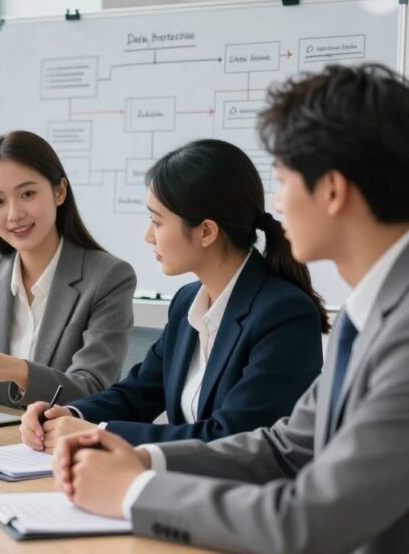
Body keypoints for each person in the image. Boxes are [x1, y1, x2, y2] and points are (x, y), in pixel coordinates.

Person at [53, 64, 409, 554]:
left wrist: (133, 493)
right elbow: (284, 448)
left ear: (332, 190)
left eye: (283, 180)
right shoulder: (365, 314)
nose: (277, 204)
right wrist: (145, 461)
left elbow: (308, 520)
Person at [19, 138, 326, 449]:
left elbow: (232, 437)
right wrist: (69, 415)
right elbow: (137, 394)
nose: (147, 235)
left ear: (206, 231)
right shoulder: (186, 303)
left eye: (157, 221)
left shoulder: (284, 314)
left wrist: (98, 433)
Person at [0, 130, 136, 408]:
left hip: (67, 443)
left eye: (27, 194)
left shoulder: (108, 276)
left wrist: (19, 370)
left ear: (59, 191)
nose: (14, 214)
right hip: (1, 442)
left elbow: (91, 389)